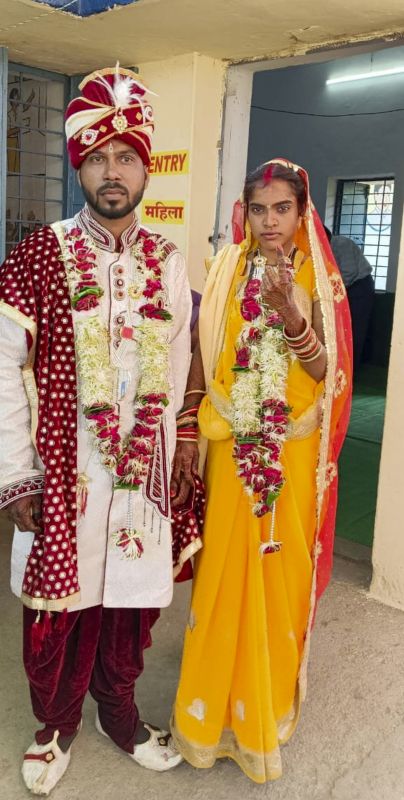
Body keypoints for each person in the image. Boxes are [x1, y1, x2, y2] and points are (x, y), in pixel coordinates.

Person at [0, 65, 197, 795]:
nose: (112, 173)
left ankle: (119, 713)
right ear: (79, 166)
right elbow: (0, 369)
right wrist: (16, 472)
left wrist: (166, 450)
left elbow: (175, 359)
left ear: (144, 165)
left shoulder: (168, 261)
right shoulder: (38, 256)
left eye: (126, 157)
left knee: (130, 606)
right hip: (63, 467)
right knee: (57, 613)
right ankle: (54, 727)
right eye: (98, 158)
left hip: (138, 471)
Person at [170, 159, 352, 783]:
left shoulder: (320, 281)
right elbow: (200, 352)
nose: (269, 221)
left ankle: (262, 712)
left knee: (275, 578)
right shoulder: (225, 269)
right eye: (258, 208)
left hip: (290, 456)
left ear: (302, 214)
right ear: (242, 212)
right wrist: (190, 430)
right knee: (220, 575)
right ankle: (204, 717)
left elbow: (331, 374)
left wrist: (293, 319)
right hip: (229, 444)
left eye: (282, 208)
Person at [325, 227, 374, 374]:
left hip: (359, 288)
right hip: (343, 290)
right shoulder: (325, 249)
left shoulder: (341, 244)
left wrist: (329, 291)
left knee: (355, 332)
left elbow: (348, 273)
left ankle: (350, 375)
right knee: (340, 332)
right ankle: (339, 371)